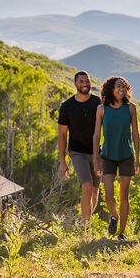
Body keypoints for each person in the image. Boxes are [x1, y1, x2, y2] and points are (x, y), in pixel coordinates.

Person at [93, 76, 140, 241]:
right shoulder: (102, 109)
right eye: (118, 87)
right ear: (111, 89)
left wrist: (137, 159)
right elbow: (96, 135)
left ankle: (121, 233)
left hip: (127, 155)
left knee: (124, 195)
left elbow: (135, 133)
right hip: (107, 156)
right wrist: (95, 158)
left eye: (124, 87)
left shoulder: (131, 108)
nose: (121, 90)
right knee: (108, 195)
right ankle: (115, 216)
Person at [58, 70, 101, 224]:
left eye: (87, 81)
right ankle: (85, 225)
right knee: (87, 186)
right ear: (75, 83)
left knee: (95, 191)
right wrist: (62, 162)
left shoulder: (98, 103)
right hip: (77, 152)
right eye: (81, 81)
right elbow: (62, 134)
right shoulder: (67, 106)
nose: (85, 84)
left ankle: (86, 221)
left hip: (96, 153)